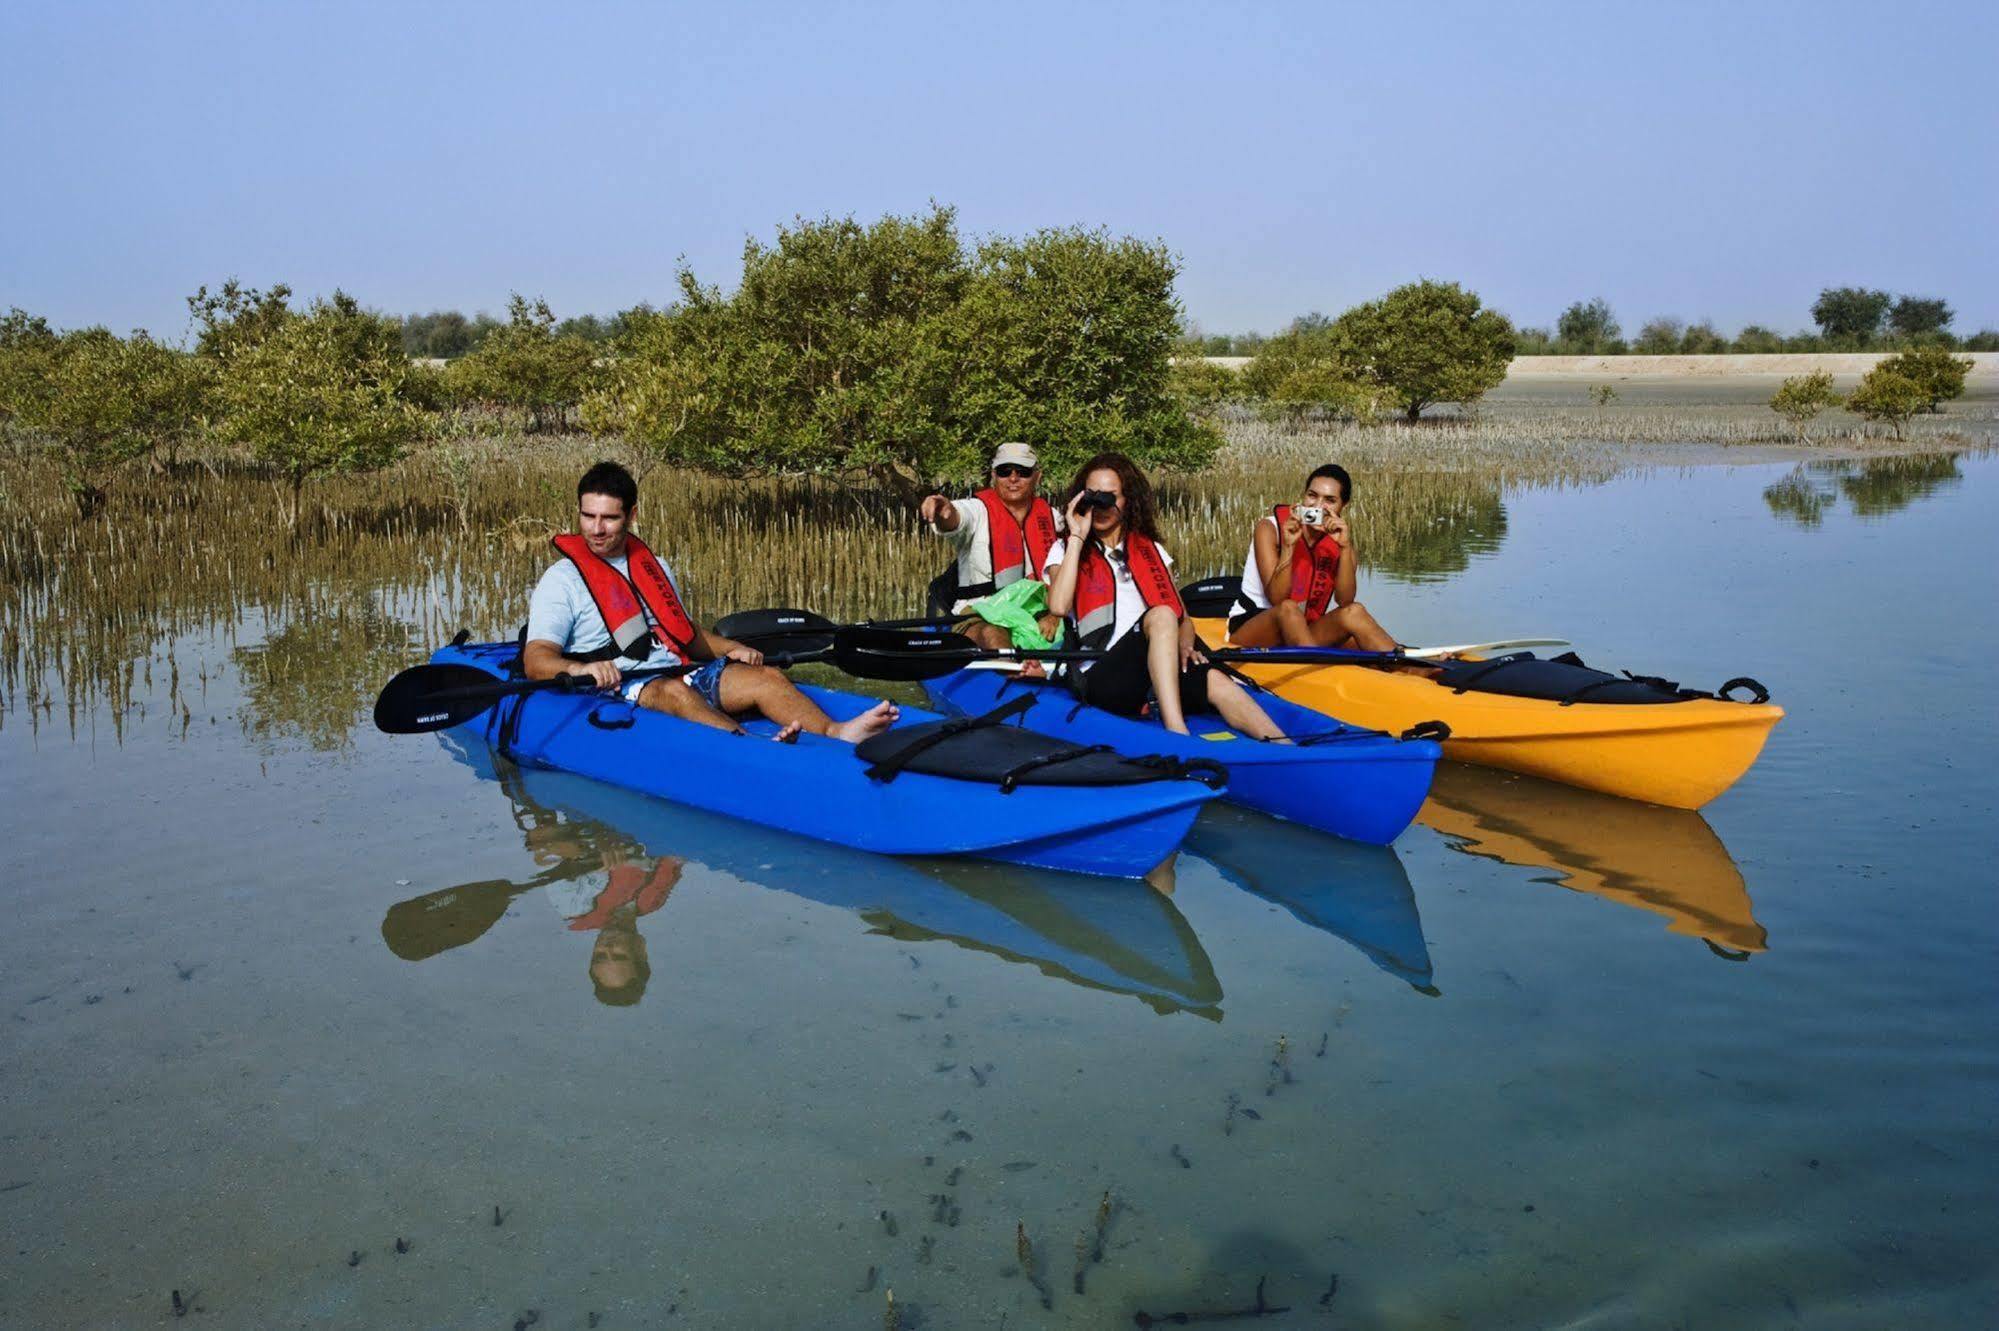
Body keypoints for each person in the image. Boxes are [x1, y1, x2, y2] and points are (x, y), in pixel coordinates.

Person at [524, 460, 899, 743]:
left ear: (632, 516)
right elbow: (536, 658)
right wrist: (578, 671)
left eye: (609, 518)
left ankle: (836, 732)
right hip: (625, 687)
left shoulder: (653, 566)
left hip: (679, 671)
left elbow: (683, 634)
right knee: (675, 692)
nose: (596, 528)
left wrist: (732, 647)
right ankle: (750, 750)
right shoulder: (562, 581)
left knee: (766, 677)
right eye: (588, 516)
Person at [1043, 452, 1289, 739]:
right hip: (1103, 673)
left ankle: (1284, 746)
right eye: (1092, 496)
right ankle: (1177, 732)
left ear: (1127, 501)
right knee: (1160, 614)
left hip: (1156, 669)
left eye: (1109, 497)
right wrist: (1076, 535)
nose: (1101, 506)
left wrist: (1185, 644)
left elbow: (1183, 618)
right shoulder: (1067, 549)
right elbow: (1058, 606)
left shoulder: (1151, 551)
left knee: (1215, 680)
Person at [1226, 463, 1397, 652]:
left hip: (1304, 629)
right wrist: (1289, 546)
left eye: (1330, 500)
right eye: (1312, 495)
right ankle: (1316, 668)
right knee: (1289, 609)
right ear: (1304, 495)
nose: (1317, 506)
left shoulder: (1339, 540)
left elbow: (1345, 601)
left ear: (1343, 506)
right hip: (1254, 626)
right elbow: (1277, 599)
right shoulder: (1269, 528)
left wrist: (1345, 548)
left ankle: (1418, 668)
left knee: (1354, 612)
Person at [917, 441, 1063, 649]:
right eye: (1004, 471)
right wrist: (944, 511)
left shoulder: (1053, 518)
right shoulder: (977, 511)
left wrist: (1054, 615)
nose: (1013, 478)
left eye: (1023, 471)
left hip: (1037, 614)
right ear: (994, 476)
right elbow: (956, 518)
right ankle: (1013, 669)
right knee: (992, 633)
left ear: (1037, 477)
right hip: (981, 613)